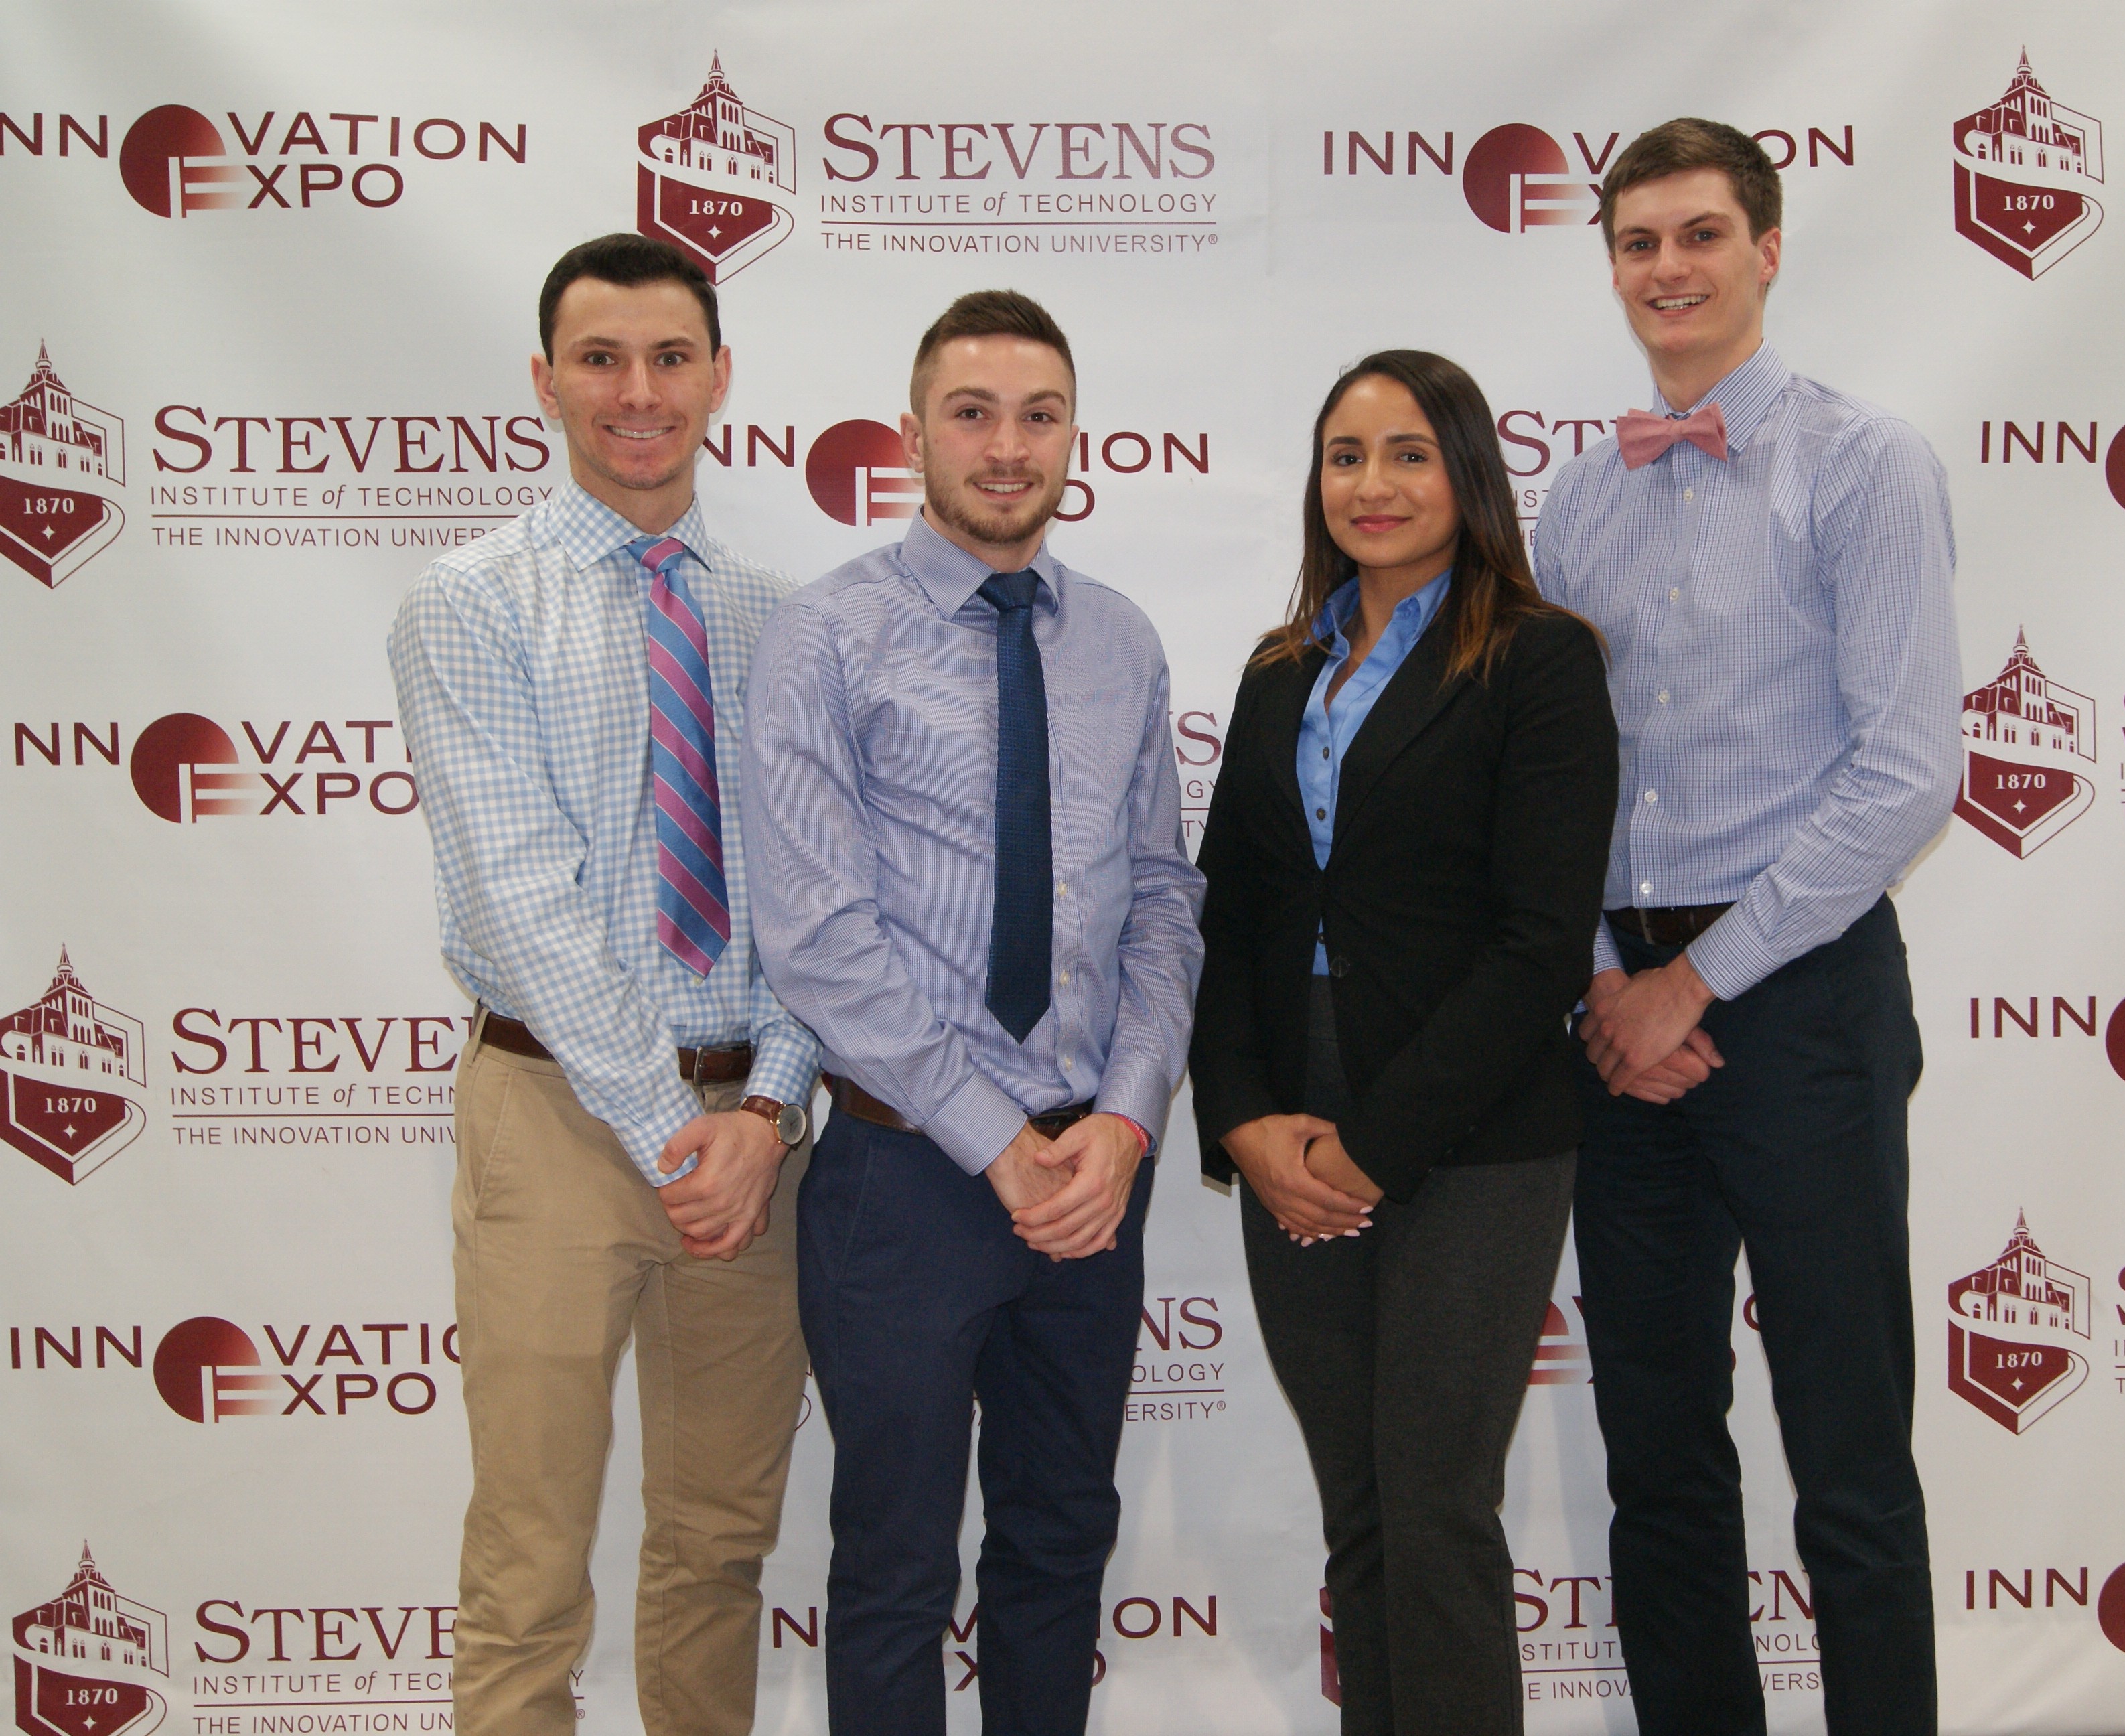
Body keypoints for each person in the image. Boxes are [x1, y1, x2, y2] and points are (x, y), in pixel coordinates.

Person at [1532, 120, 1962, 1736]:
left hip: (1793, 994)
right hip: (1613, 1002)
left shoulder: (1862, 464)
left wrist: (1690, 982)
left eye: (1700, 235)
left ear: (1767, 251)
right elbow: (1547, 784)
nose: (1668, 270)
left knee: (1847, 1455)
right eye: (1638, 243)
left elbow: (1912, 769)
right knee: (1657, 1457)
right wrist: (1600, 985)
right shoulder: (1574, 501)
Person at [741, 289, 1203, 1736]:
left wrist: (1125, 1121)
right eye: (973, 412)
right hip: (905, 1176)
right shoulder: (826, 641)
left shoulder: (1120, 643)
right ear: (910, 435)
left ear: (1076, 437)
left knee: (1061, 1542)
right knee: (891, 1566)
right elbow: (819, 945)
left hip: (1092, 1180)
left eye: (1039, 414)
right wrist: (999, 1146)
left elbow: (1159, 902)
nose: (1007, 448)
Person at [386, 232, 821, 1736]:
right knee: (530, 1559)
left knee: (716, 1547)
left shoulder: (779, 621)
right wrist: (669, 1134)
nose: (637, 393)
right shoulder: (472, 602)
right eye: (599, 360)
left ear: (717, 380)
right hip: (561, 1119)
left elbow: (817, 906)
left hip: (751, 1147)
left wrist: (766, 1106)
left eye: (668, 358)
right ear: (545, 382)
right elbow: (522, 900)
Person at [1191, 350, 1618, 1735]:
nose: (1371, 484)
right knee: (1362, 1509)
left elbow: (1538, 945)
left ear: (1467, 474)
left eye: (1407, 453)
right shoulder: (1280, 670)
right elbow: (1229, 914)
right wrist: (1247, 1118)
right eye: (1345, 456)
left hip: (1470, 1128)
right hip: (1287, 1114)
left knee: (1437, 1510)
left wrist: (1372, 1147)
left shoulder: (1539, 660)